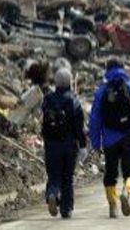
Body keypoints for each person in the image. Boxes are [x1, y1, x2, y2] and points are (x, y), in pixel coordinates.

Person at [89, 59, 130, 218]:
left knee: (110, 173)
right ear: (123, 69)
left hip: (109, 139)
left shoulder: (102, 91)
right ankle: (126, 191)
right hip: (129, 136)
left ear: (107, 71)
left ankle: (112, 206)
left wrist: (96, 142)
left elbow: (95, 118)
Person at [41, 68, 87, 219]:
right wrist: (83, 146)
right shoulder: (74, 101)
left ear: (55, 82)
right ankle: (66, 209)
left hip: (51, 145)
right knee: (67, 177)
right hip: (69, 146)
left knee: (53, 175)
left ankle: (52, 194)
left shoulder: (48, 99)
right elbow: (79, 128)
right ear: (70, 82)